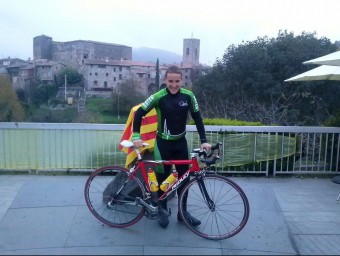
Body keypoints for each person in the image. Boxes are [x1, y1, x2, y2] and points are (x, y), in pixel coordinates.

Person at [132, 65, 211, 228]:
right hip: (163, 144)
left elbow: (198, 118)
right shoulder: (159, 96)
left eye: (177, 81)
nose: (174, 85)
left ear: (182, 80)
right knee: (162, 178)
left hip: (181, 143)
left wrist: (204, 140)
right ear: (165, 80)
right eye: (170, 81)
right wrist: (136, 135)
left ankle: (183, 213)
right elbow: (139, 113)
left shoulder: (188, 96)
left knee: (184, 179)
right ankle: (162, 210)